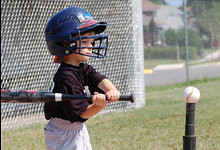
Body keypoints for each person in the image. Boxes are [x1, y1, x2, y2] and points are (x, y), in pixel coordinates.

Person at [44, 7, 120, 150]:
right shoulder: (65, 76)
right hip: (63, 133)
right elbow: (81, 114)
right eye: (85, 42)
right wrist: (98, 106)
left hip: (76, 129)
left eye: (91, 42)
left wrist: (111, 90)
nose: (90, 47)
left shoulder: (81, 67)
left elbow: (97, 78)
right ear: (66, 44)